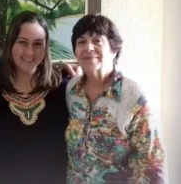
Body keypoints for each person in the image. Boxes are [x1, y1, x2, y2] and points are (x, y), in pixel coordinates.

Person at [65, 14, 166, 183]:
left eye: (97, 41)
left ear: (114, 49)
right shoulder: (72, 90)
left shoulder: (132, 94)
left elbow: (152, 163)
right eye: (81, 41)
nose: (88, 47)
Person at [0, 11, 69, 184]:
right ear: (10, 44)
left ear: (46, 48)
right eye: (22, 42)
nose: (30, 52)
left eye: (38, 44)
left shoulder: (64, 90)